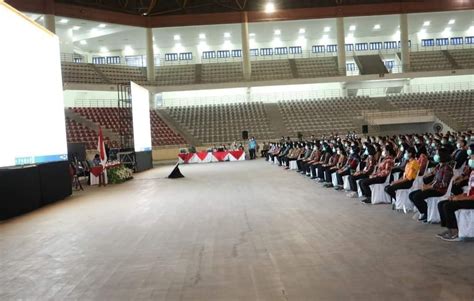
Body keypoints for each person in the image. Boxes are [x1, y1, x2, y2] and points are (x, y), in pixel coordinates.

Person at [436, 152, 474, 241]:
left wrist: (459, 198)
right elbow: (469, 191)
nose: (471, 160)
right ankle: (449, 229)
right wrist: (457, 196)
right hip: (469, 197)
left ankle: (455, 231)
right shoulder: (472, 172)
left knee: (448, 206)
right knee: (441, 203)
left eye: (473, 158)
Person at [409, 148, 453, 222]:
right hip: (433, 188)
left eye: (437, 154)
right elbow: (434, 180)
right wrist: (427, 185)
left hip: (440, 190)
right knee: (411, 195)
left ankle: (426, 213)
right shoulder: (438, 166)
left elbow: (444, 184)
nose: (435, 156)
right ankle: (425, 211)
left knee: (417, 196)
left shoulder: (447, 168)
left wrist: (429, 186)